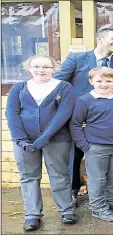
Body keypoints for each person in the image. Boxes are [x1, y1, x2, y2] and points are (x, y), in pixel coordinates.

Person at [5, 55, 77, 231]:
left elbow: (63, 114)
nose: (41, 70)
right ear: (29, 68)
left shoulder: (64, 87)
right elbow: (12, 113)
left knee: (59, 174)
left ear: (54, 68)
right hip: (25, 142)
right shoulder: (19, 88)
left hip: (57, 139)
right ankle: (32, 215)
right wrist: (20, 139)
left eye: (46, 67)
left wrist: (45, 137)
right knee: (28, 177)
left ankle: (67, 210)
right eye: (36, 66)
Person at [53, 28, 113, 205]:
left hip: (105, 121)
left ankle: (106, 196)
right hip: (78, 117)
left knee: (105, 159)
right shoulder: (76, 59)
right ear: (100, 39)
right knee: (74, 156)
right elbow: (58, 84)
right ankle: (72, 192)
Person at [70, 67, 113, 222]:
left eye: (108, 80)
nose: (103, 84)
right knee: (97, 179)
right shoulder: (84, 100)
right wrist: (84, 145)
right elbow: (75, 124)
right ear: (91, 81)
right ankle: (98, 207)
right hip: (96, 147)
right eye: (99, 81)